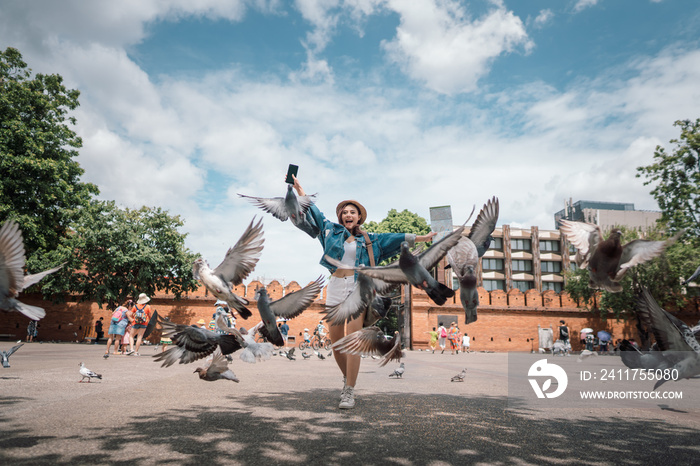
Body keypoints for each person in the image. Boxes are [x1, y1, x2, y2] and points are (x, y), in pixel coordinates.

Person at [293, 175, 435, 409]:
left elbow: (397, 238)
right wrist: (300, 190)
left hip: (358, 287)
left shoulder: (373, 240)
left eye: (352, 212)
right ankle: (348, 379)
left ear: (359, 217)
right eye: (344, 212)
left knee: (353, 339)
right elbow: (314, 212)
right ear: (341, 217)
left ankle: (349, 390)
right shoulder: (329, 231)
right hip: (336, 287)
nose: (348, 215)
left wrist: (424, 237)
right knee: (337, 342)